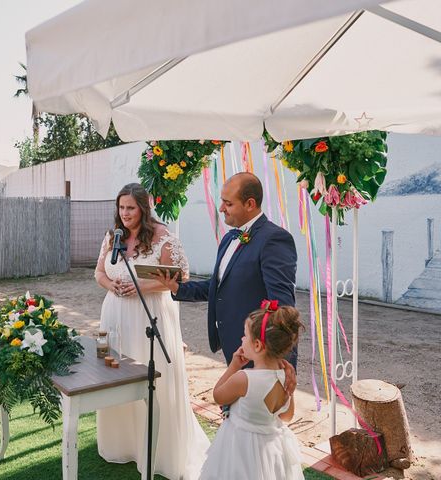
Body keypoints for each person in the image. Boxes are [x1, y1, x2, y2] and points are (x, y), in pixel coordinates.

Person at [95, 183, 210, 480]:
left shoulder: (163, 237)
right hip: (115, 315)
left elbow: (179, 277)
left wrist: (141, 287)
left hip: (152, 315)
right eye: (121, 208)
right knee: (117, 376)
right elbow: (99, 273)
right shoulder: (113, 237)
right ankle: (124, 441)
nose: (125, 213)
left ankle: (160, 448)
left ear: (143, 209)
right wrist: (113, 285)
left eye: (130, 208)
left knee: (153, 378)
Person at [157, 172, 298, 369]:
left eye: (228, 203)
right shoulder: (229, 238)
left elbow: (283, 305)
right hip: (235, 346)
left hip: (261, 353)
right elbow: (218, 286)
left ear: (250, 204)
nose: (221, 208)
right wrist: (178, 288)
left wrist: (282, 363)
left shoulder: (274, 239)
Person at [200, 303, 305, 480]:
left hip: (241, 448)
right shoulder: (285, 376)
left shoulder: (244, 379)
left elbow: (218, 396)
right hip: (272, 450)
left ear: (257, 345)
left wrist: (233, 366)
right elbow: (286, 416)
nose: (241, 339)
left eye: (245, 335)